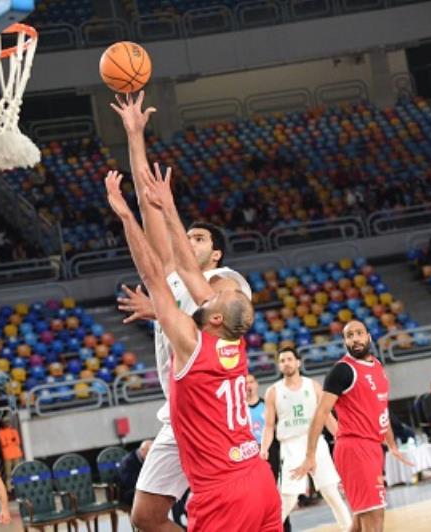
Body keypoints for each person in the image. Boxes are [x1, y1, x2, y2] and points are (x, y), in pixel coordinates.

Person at [105, 168, 281, 530]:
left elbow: (155, 275)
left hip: (223, 494)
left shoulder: (190, 344)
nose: (210, 294)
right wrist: (168, 209)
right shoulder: (234, 341)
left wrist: (126, 215)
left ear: (214, 317)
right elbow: (188, 273)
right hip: (259, 480)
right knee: (145, 516)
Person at [111, 91, 254, 531]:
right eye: (186, 235)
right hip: (177, 410)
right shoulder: (170, 275)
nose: (189, 240)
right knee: (146, 518)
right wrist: (135, 135)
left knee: (223, 508)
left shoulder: (227, 281)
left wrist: (158, 311)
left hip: (211, 411)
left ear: (216, 253)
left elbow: (220, 316)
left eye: (199, 239)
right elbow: (146, 198)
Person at [292, 320, 412, 532]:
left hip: (374, 448)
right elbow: (320, 413)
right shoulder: (343, 371)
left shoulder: (377, 366)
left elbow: (381, 411)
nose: (355, 339)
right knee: (374, 517)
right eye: (349, 335)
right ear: (345, 341)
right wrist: (310, 455)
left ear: (368, 337)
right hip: (355, 449)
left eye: (359, 333)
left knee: (360, 519)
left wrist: (392, 446)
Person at [260, 349, 351, 530]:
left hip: (316, 443)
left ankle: (349, 528)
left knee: (331, 492)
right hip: (290, 445)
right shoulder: (273, 391)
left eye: (289, 359)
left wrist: (342, 437)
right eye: (282, 360)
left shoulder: (313, 386)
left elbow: (326, 416)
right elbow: (269, 426)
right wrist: (264, 449)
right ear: (279, 365)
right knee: (288, 499)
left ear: (298, 362)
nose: (286, 363)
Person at [247, 375, 292, 532]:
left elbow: (275, 428)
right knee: (253, 495)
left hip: (269, 450)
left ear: (257, 384)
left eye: (251, 382)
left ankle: (284, 526)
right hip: (249, 453)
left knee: (275, 491)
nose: (248, 386)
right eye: (245, 383)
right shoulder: (239, 411)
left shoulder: (266, 405)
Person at [117, 440, 153, 507]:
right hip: (128, 492)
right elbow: (129, 482)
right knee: (150, 495)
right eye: (150, 453)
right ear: (142, 450)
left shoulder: (147, 459)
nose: (151, 456)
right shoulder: (128, 461)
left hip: (144, 488)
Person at [0, 418, 23, 491]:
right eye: (5, 422)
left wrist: (10, 441)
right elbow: (4, 443)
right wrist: (11, 441)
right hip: (7, 455)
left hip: (16, 453)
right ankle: (9, 488)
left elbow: (18, 441)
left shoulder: (13, 431)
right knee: (8, 473)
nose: (7, 423)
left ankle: (19, 485)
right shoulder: (0, 433)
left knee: (18, 471)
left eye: (8, 422)